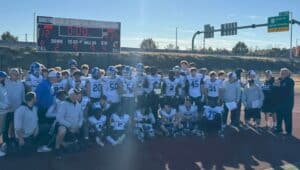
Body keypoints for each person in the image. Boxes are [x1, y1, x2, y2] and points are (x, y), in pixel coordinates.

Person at [55, 88, 83, 156]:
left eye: (76, 95)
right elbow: (59, 118)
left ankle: (65, 144)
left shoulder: (78, 104)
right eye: (73, 94)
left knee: (76, 148)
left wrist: (79, 125)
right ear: (69, 95)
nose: (74, 96)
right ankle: (57, 148)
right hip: (65, 126)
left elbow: (81, 117)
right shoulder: (63, 104)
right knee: (62, 130)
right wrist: (69, 125)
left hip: (75, 127)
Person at [4, 68, 25, 148]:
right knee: (6, 125)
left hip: (18, 108)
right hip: (8, 108)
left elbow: (23, 95)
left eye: (17, 74)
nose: (16, 75)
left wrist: (23, 104)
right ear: (10, 75)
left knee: (15, 125)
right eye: (13, 74)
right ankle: (6, 141)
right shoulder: (6, 82)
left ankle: (14, 139)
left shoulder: (20, 83)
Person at [276, 68, 294, 136]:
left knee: (287, 118)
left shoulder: (290, 81)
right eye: (281, 72)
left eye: (284, 72)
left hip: (287, 103)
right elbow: (274, 88)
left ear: (288, 73)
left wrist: (278, 86)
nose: (282, 73)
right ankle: (279, 129)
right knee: (279, 117)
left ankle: (288, 131)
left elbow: (285, 91)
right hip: (278, 103)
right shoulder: (279, 80)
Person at [0, 71, 9, 156]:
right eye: (2, 77)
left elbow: (5, 99)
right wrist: (4, 106)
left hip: (3, 112)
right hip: (1, 111)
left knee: (2, 131)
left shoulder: (3, 86)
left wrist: (6, 105)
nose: (4, 79)